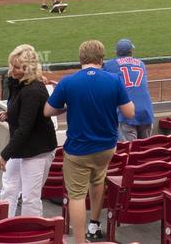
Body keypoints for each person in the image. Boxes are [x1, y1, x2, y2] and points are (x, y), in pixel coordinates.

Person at [45, 40, 135, 243]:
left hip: (78, 150)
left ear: (80, 59)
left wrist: (68, 103)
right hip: (106, 147)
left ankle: (79, 240)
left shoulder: (68, 82)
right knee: (97, 181)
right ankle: (94, 225)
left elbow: (48, 111)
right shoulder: (114, 80)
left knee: (76, 195)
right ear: (102, 59)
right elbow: (130, 112)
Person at [0, 45, 57, 217]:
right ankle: (3, 225)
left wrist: (5, 154)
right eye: (12, 65)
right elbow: (23, 114)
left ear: (27, 69)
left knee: (31, 196)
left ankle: (32, 234)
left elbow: (25, 127)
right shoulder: (20, 84)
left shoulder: (32, 90)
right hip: (23, 146)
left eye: (17, 67)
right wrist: (9, 115)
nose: (12, 70)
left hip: (37, 149)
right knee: (9, 188)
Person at [103, 39, 153, 140]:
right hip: (146, 111)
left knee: (129, 151)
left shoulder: (110, 65)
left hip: (126, 113)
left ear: (116, 52)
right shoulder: (141, 64)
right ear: (131, 51)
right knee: (146, 148)